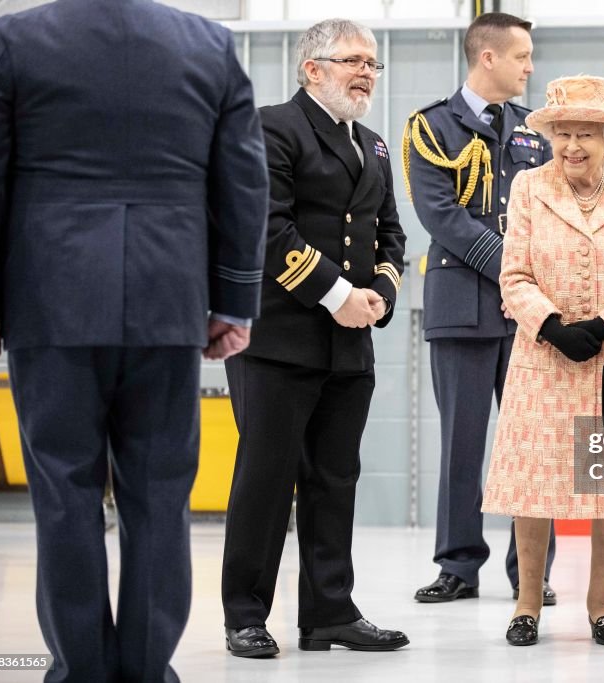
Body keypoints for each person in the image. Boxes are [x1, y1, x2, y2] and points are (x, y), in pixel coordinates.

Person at [0, 0, 268, 679]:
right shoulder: (209, 44)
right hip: (170, 295)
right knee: (161, 494)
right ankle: (146, 667)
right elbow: (244, 181)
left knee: (64, 492)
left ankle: (80, 669)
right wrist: (234, 301)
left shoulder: (11, 39)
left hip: (52, 295)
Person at [220, 18, 408, 657]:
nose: (366, 73)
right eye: (352, 60)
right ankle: (245, 613)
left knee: (335, 479)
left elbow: (392, 233)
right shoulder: (272, 127)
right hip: (279, 339)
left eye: (373, 63)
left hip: (350, 345)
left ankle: (329, 611)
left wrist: (379, 292)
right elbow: (265, 227)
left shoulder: (375, 146)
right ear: (312, 68)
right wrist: (337, 295)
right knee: (266, 478)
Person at [481, 76, 604, 646]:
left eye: (585, 135)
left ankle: (602, 603)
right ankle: (526, 606)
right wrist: (548, 323)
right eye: (563, 133)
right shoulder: (527, 187)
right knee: (535, 482)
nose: (572, 146)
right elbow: (513, 272)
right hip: (544, 356)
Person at [404, 11, 558, 607]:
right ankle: (458, 566)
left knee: (535, 444)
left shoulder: (536, 131)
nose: (530, 67)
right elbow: (442, 216)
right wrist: (513, 267)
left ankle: (532, 570)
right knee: (462, 443)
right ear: (487, 57)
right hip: (463, 305)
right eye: (522, 56)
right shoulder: (432, 127)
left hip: (530, 314)